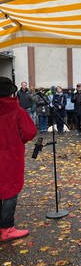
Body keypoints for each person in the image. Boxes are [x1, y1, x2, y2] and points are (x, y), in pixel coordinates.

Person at [0, 77, 37, 241]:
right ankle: (7, 228)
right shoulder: (15, 109)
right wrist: (18, 139)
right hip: (11, 156)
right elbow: (30, 132)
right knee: (10, 190)